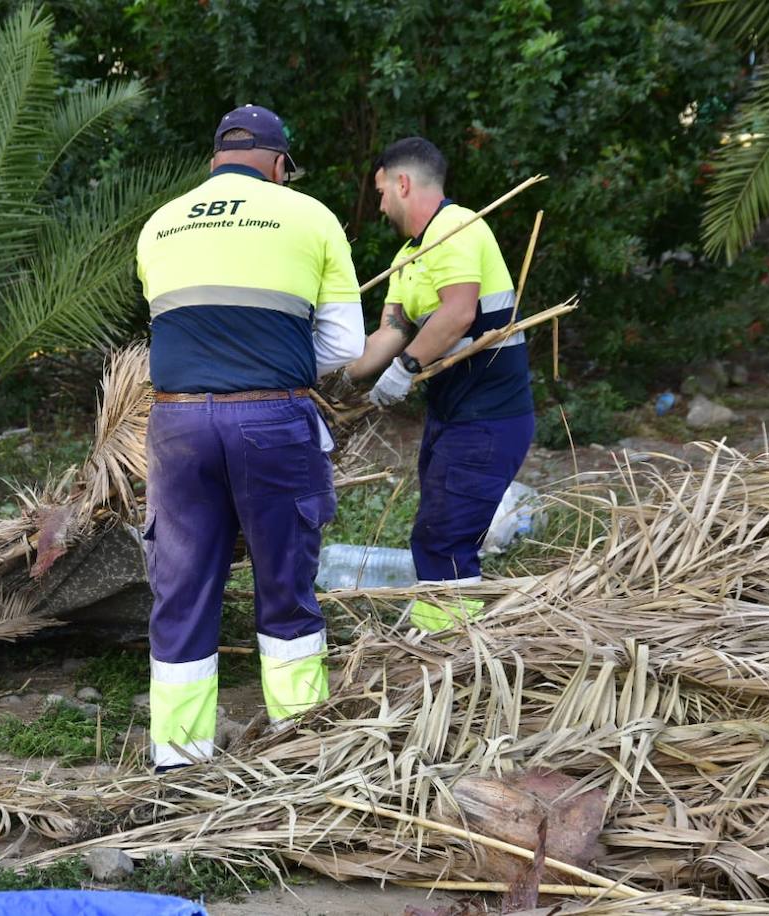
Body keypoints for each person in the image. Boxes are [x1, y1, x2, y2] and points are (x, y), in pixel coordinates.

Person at [135, 104, 367, 771]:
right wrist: (277, 356)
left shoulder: (161, 224)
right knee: (285, 586)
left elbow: (175, 322)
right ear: (276, 163)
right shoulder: (311, 217)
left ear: (216, 161)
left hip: (177, 425)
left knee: (181, 590)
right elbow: (345, 345)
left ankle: (178, 759)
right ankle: (300, 754)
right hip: (272, 420)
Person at [334, 137, 534, 630]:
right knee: (436, 532)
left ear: (403, 183)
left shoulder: (456, 228)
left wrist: (403, 369)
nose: (379, 205)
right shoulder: (410, 254)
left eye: (381, 192)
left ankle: (451, 647)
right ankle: (441, 634)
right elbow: (390, 332)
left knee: (445, 538)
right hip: (453, 416)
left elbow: (458, 311)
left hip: (489, 418)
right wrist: (334, 380)